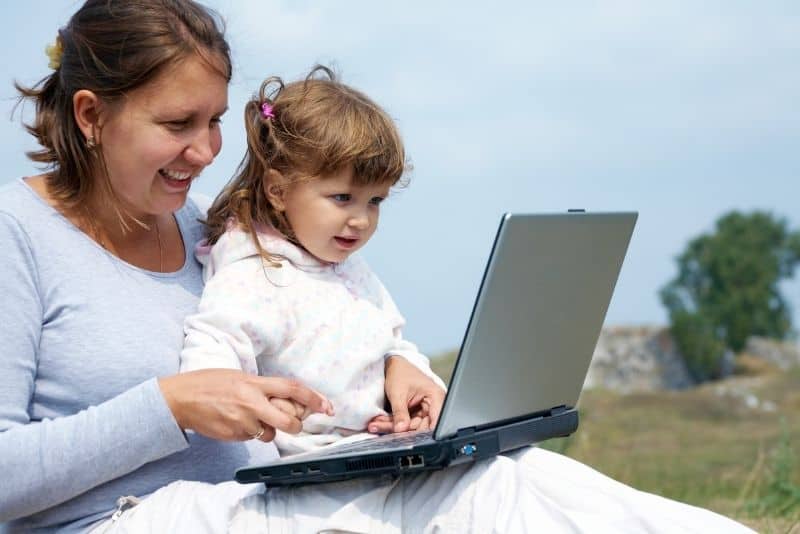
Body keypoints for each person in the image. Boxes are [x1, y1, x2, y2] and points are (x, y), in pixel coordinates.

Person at [0, 1, 755, 532]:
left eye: (215, 122)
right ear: (91, 115)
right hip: (133, 523)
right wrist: (170, 407)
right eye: (176, 125)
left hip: (266, 504)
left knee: (503, 480)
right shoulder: (17, 236)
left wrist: (399, 365)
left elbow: (324, 318)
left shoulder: (223, 237)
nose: (205, 152)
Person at [178, 66, 447, 456]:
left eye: (375, 201)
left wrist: (408, 382)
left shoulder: (349, 267)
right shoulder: (256, 274)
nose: (361, 219)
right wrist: (254, 408)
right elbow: (212, 357)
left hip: (372, 446)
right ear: (278, 190)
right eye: (342, 198)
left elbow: (391, 341)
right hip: (311, 461)